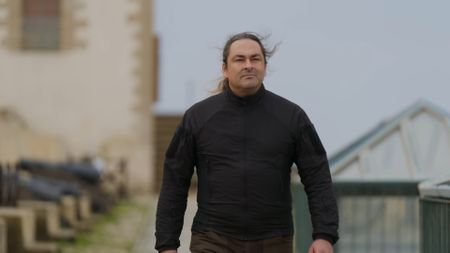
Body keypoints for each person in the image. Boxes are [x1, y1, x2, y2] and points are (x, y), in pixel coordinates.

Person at [155, 32, 339, 253]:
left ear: (264, 66)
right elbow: (174, 182)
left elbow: (317, 175)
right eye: (240, 59)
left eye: (255, 59)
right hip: (212, 240)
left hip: (274, 241)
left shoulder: (292, 117)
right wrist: (167, 245)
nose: (248, 65)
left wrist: (324, 235)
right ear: (225, 69)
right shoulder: (198, 118)